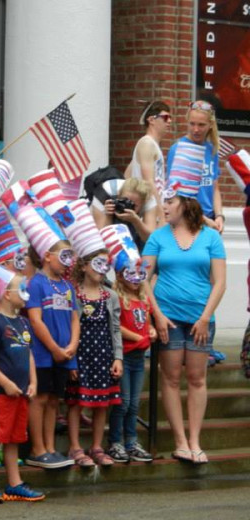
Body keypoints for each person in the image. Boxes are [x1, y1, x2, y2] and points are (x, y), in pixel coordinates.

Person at [143, 187, 226, 464]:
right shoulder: (157, 237)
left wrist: (205, 317)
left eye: (170, 201)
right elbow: (141, 278)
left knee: (197, 378)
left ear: (186, 204)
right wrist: (157, 315)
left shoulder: (211, 237)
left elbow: (220, 282)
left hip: (201, 319)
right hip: (169, 318)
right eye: (164, 201)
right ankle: (180, 441)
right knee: (170, 378)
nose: (164, 206)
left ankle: (195, 441)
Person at [0, 274, 45, 503]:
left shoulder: (23, 322)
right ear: (7, 294)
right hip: (0, 393)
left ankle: (14, 483)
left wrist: (34, 382)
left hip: (22, 393)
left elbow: (28, 354)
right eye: (22, 290)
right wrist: (5, 383)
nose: (26, 294)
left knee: (15, 438)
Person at [65, 250, 123, 467]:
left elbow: (116, 329)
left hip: (103, 355)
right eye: (97, 263)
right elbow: (69, 327)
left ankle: (96, 446)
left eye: (105, 264)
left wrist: (118, 358)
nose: (101, 269)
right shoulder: (73, 294)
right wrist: (71, 360)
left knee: (102, 403)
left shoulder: (111, 296)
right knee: (76, 402)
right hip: (81, 355)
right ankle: (74, 447)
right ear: (83, 266)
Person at [25, 240, 78, 470]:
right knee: (41, 398)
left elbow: (76, 318)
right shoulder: (36, 284)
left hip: (65, 354)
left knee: (54, 400)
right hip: (43, 354)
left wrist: (72, 345)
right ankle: (37, 449)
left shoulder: (68, 286)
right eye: (63, 256)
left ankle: (50, 447)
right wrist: (55, 349)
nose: (68, 262)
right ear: (48, 256)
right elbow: (35, 320)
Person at [108, 264, 157, 463]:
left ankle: (132, 441)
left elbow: (146, 322)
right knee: (123, 403)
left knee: (134, 404)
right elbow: (116, 324)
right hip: (124, 357)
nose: (136, 279)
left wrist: (151, 330)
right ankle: (115, 442)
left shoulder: (143, 299)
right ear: (120, 276)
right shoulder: (118, 298)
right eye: (131, 274)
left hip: (138, 358)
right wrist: (135, 336)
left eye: (140, 274)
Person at [166, 101, 224, 232]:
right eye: (192, 124)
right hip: (186, 220)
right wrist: (203, 220)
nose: (195, 129)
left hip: (210, 218)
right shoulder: (178, 149)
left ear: (210, 125)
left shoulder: (212, 149)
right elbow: (175, 194)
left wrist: (219, 215)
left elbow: (215, 188)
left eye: (201, 125)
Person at [125, 100, 171, 222]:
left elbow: (127, 175)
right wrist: (161, 212)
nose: (169, 121)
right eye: (165, 117)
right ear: (151, 120)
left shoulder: (150, 144)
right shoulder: (147, 143)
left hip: (151, 209)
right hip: (148, 212)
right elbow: (148, 181)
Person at [91, 178, 155, 249]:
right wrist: (108, 215)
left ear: (143, 204)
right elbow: (102, 240)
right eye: (125, 200)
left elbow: (150, 239)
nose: (127, 206)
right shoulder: (104, 195)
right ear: (118, 195)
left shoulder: (150, 202)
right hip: (106, 193)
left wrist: (136, 221)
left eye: (134, 205)